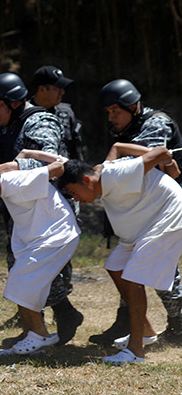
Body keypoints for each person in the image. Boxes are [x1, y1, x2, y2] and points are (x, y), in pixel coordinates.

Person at [59, 145, 182, 364]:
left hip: (168, 216)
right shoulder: (101, 174)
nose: (76, 199)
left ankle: (136, 352)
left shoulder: (119, 173)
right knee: (116, 266)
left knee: (133, 278)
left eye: (74, 193)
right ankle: (145, 331)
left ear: (87, 180)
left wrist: (170, 164)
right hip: (142, 224)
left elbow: (162, 151)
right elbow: (116, 147)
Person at [0, 73, 83, 345]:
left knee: (39, 269)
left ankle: (60, 316)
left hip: (47, 211)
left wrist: (8, 169)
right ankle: (34, 327)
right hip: (19, 207)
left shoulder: (40, 121)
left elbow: (51, 164)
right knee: (19, 265)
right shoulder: (1, 128)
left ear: (14, 103)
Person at [89, 79, 182, 346]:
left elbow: (138, 164)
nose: (111, 117)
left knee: (164, 272)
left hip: (164, 208)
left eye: (115, 111)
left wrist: (109, 162)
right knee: (127, 267)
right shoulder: (128, 127)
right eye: (108, 112)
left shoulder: (155, 123)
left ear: (133, 106)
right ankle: (127, 321)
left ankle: (178, 323)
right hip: (143, 208)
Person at [0, 154, 80, 356]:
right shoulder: (2, 184)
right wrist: (24, 154)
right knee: (21, 283)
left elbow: (59, 166)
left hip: (57, 234)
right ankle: (31, 336)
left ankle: (41, 335)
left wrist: (31, 157)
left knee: (21, 281)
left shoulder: (19, 180)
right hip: (40, 236)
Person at [31, 66, 84, 160]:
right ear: (42, 89)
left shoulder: (66, 113)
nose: (62, 92)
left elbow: (76, 150)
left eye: (62, 88)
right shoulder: (24, 113)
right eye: (57, 88)